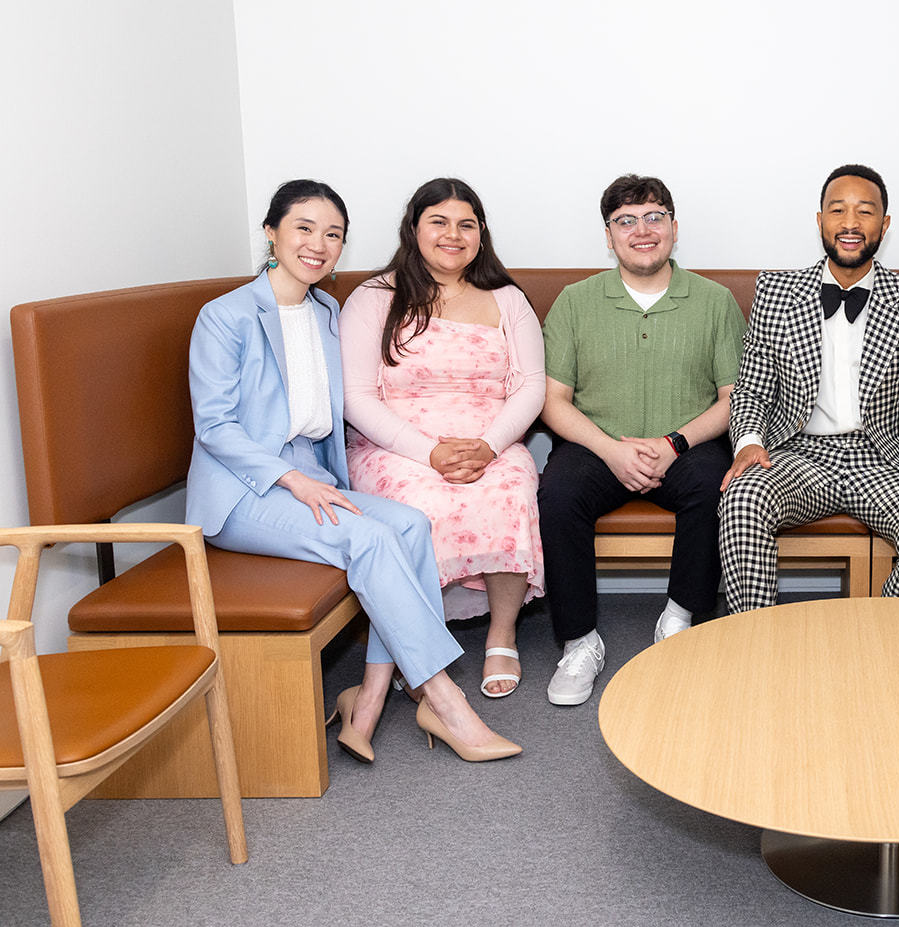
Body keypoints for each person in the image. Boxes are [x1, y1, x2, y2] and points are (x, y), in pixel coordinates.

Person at [186, 180, 519, 762]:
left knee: (412, 525)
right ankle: (443, 701)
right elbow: (214, 427)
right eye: (303, 229)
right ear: (271, 233)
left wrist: (315, 476)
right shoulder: (225, 317)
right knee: (368, 538)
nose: (318, 244)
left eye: (333, 234)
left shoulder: (326, 311)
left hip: (312, 474)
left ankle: (362, 701)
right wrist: (292, 479)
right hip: (247, 491)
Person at [537, 174, 745, 705]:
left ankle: (678, 618)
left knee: (715, 487)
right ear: (609, 236)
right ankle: (580, 642)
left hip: (686, 445)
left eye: (654, 217)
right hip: (596, 447)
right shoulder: (576, 301)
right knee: (556, 494)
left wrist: (674, 443)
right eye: (625, 221)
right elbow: (552, 399)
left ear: (674, 228)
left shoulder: (715, 301)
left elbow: (733, 398)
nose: (642, 230)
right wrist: (612, 450)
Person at [720, 164, 899, 609]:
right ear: (820, 221)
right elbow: (752, 389)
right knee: (742, 499)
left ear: (884, 225)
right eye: (838, 211)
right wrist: (749, 442)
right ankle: (755, 648)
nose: (850, 224)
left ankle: (874, 642)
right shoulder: (776, 290)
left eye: (865, 212)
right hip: (799, 455)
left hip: (883, 461)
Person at [340, 178, 545, 699]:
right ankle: (418, 642)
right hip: (395, 444)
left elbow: (530, 385)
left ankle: (501, 634)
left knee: (509, 490)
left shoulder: (507, 300)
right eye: (439, 221)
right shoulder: (375, 297)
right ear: (414, 228)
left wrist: (491, 445)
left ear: (481, 235)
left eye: (466, 224)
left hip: (489, 440)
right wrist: (427, 452)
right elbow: (356, 395)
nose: (452, 234)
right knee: (418, 503)